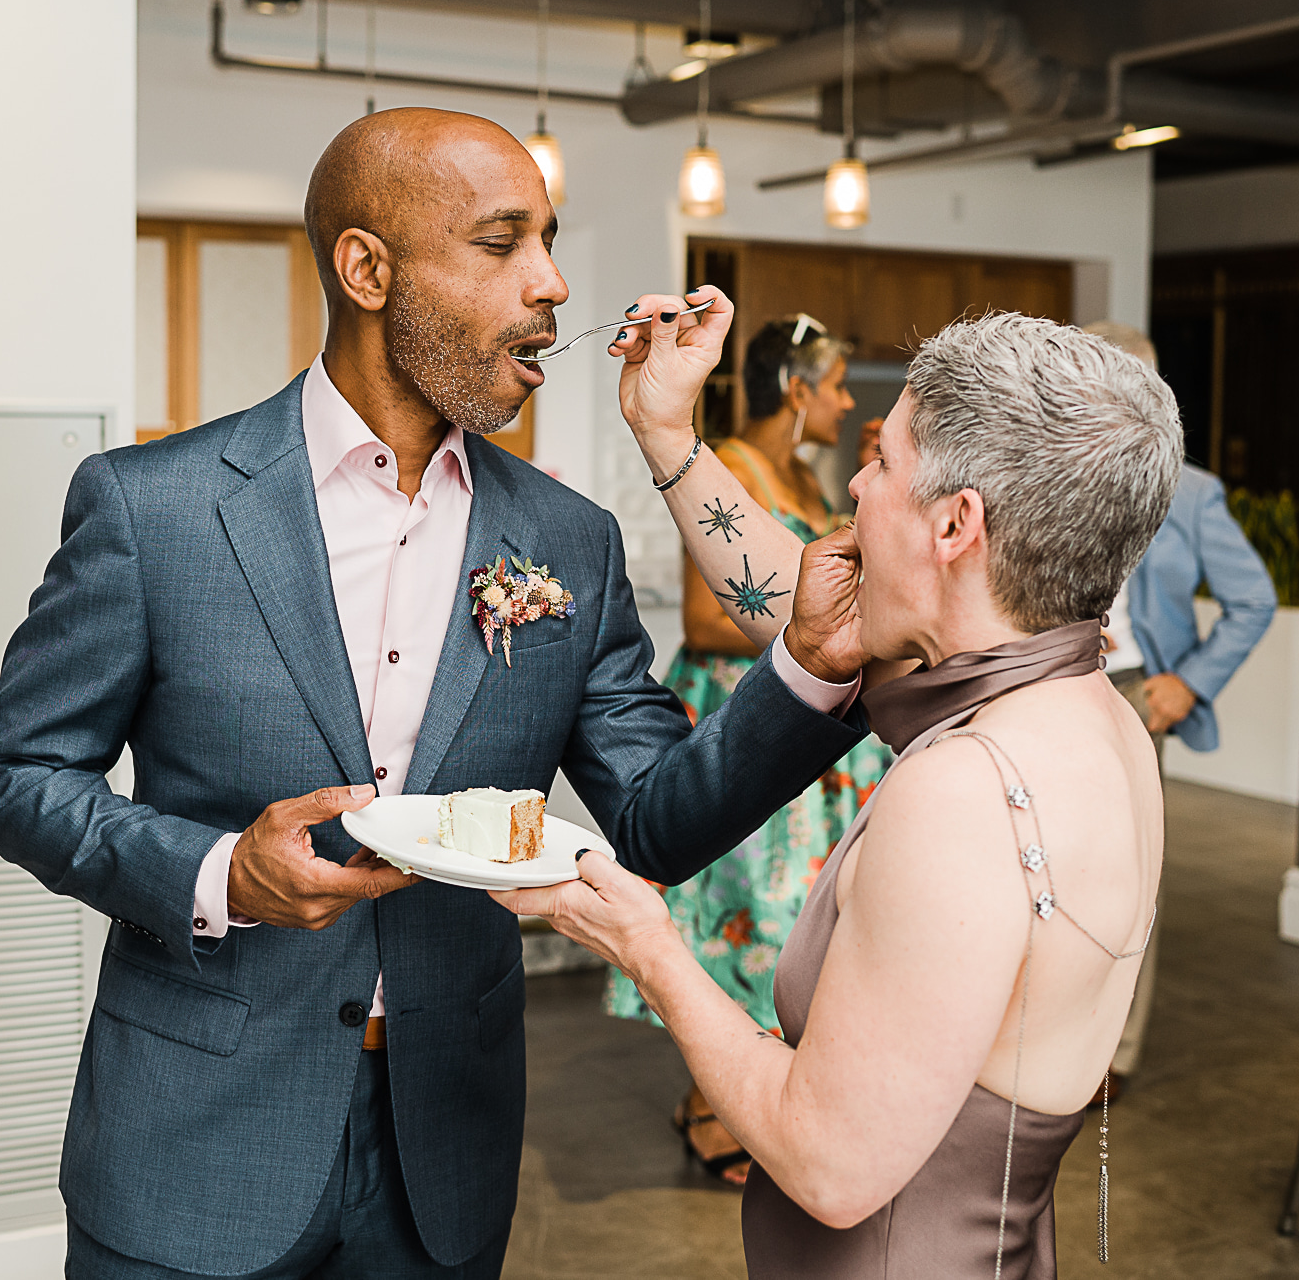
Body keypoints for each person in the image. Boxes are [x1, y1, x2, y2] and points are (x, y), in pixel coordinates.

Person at [0, 108, 872, 1280]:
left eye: (549, 241)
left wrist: (805, 663)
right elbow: (12, 774)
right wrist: (217, 870)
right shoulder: (154, 508)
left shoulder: (564, 539)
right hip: (192, 1139)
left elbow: (653, 816)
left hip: (447, 1151)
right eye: (502, 245)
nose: (549, 285)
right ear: (367, 268)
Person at [503, 304, 1182, 1277]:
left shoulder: (963, 793)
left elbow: (827, 1165)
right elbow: (802, 601)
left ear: (955, 523)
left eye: (886, 462)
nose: (856, 483)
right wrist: (666, 432)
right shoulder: (1086, 710)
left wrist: (646, 944)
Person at [603, 314, 894, 1185]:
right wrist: (812, 647)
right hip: (754, 702)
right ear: (797, 388)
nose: (847, 402)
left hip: (827, 712)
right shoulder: (737, 462)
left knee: (803, 926)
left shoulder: (811, 472)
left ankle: (769, 1090)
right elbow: (703, 618)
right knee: (740, 918)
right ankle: (714, 1100)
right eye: (837, 383)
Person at [1082, 320, 1277, 1089]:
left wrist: (1188, 682)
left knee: (1128, 878)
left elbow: (1253, 599)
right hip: (1043, 681)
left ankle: (1112, 1054)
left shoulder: (1191, 494)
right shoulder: (1040, 470)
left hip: (1134, 692)